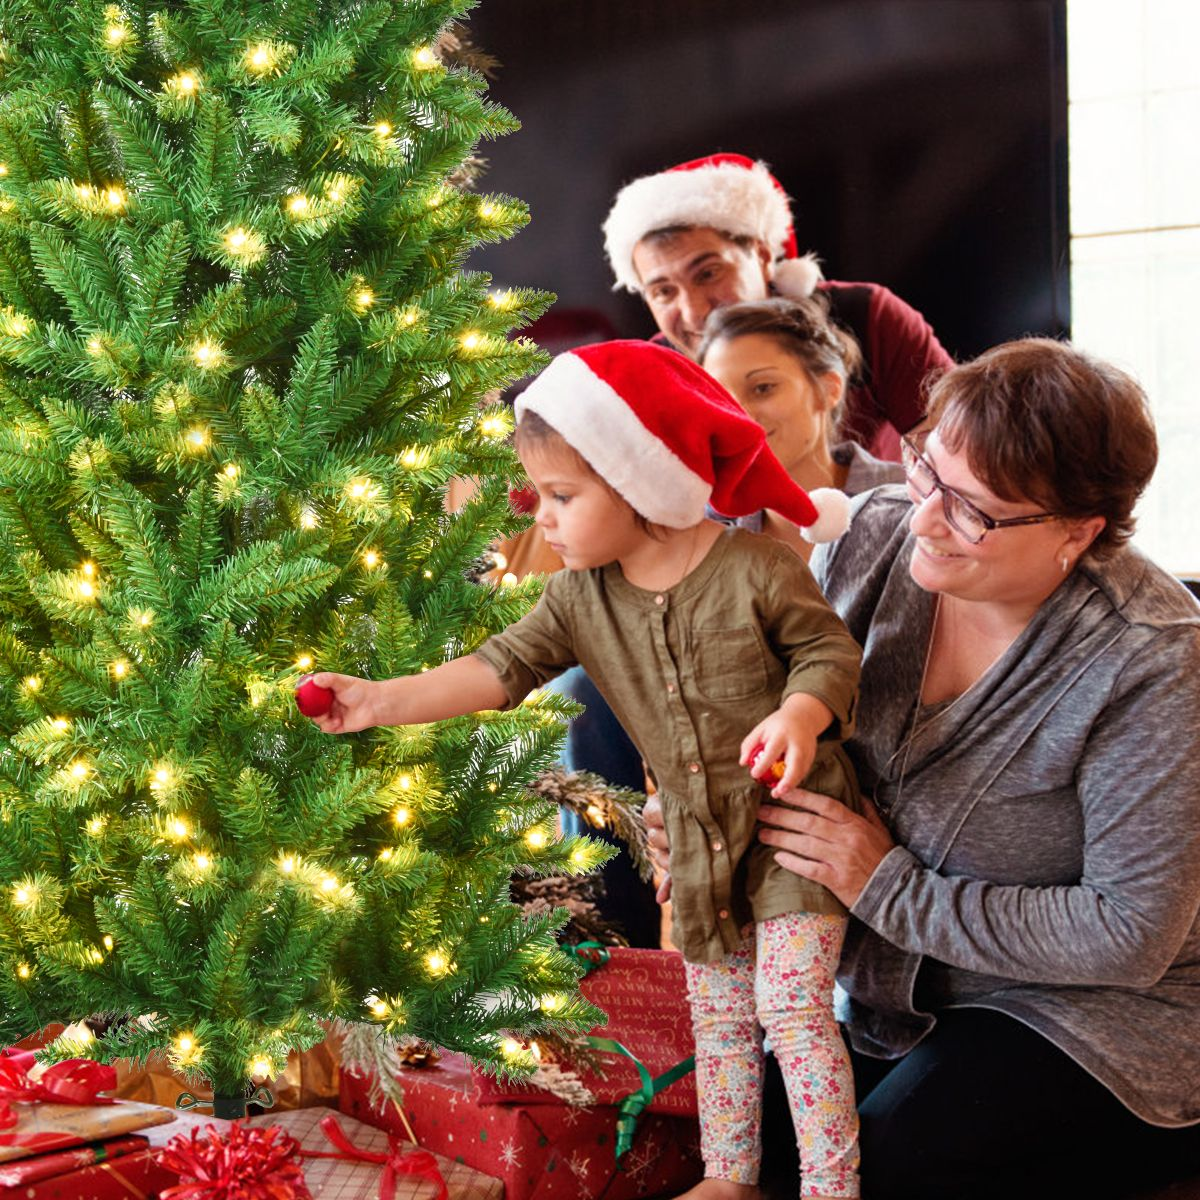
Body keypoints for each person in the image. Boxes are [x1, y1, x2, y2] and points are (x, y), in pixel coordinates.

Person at [307, 340, 866, 1200]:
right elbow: (496, 669)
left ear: (642, 482)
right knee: (718, 1016)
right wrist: (380, 700)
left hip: (794, 831)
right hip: (699, 842)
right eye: (539, 497)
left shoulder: (757, 568)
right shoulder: (576, 598)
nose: (543, 520)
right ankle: (730, 1178)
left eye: (563, 497)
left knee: (792, 1011)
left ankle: (832, 1186)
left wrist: (799, 714)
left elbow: (828, 653)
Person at [646, 338, 1200, 1200]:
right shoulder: (871, 534)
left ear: (1079, 530)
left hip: (1090, 1015)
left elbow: (1130, 935)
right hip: (879, 1000)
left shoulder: (1150, 659)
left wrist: (883, 884)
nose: (926, 518)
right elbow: (776, 729)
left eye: (973, 510)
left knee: (883, 1168)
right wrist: (709, 812)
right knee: (733, 1148)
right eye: (927, 469)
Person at [601, 152, 953, 462]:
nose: (693, 312)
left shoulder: (865, 317)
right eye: (663, 291)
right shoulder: (651, 380)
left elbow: (961, 448)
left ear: (763, 256)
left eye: (708, 273)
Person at [697, 297, 904, 559]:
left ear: (829, 389)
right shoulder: (702, 530)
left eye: (763, 388)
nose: (739, 417)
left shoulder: (911, 499)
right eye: (720, 398)